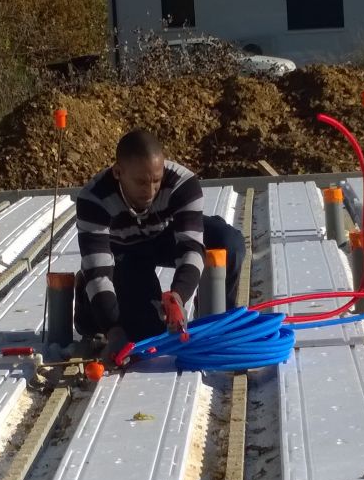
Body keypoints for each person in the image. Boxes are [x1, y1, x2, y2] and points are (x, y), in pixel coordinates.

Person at [73, 129, 245, 364]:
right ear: (118, 173)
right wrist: (114, 330)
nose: (150, 191)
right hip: (126, 252)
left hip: (166, 237)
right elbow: (98, 272)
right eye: (141, 182)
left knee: (229, 244)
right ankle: (89, 308)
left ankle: (215, 324)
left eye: (156, 180)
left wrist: (178, 297)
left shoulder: (183, 183)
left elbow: (191, 248)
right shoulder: (93, 199)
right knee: (147, 334)